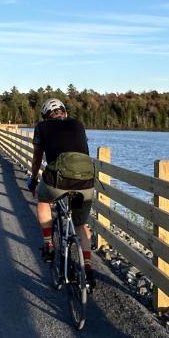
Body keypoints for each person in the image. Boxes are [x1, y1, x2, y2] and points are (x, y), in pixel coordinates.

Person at [27, 97, 97, 289]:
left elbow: (37, 158)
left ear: (46, 116)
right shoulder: (78, 124)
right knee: (81, 224)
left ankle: (48, 243)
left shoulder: (42, 127)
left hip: (58, 179)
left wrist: (33, 180)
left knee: (43, 201)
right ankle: (88, 266)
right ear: (64, 112)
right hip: (86, 179)